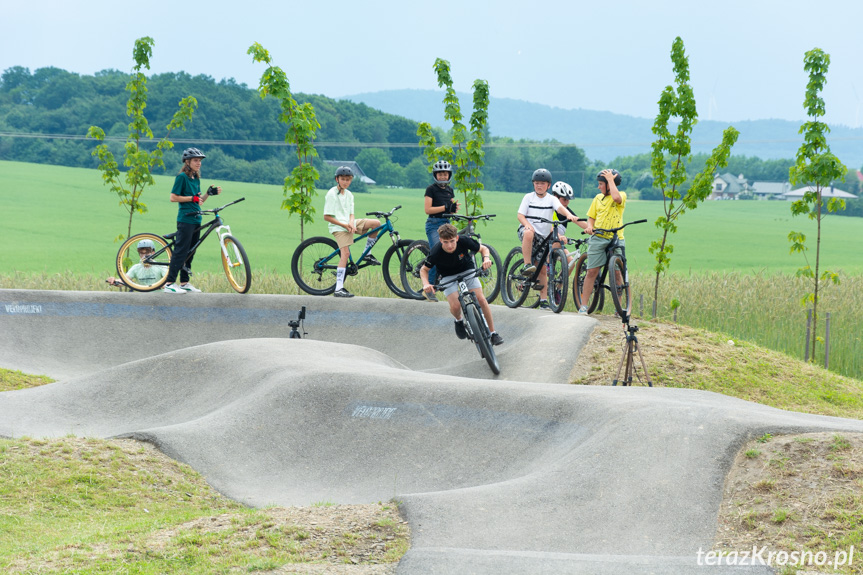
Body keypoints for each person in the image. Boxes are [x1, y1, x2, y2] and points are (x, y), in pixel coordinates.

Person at [420, 223, 503, 345]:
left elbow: (484, 249)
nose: (449, 245)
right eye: (445, 242)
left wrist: (486, 259)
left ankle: (493, 333)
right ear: (440, 240)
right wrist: (426, 284)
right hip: (447, 276)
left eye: (452, 241)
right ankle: (458, 320)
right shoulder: (436, 251)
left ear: (457, 238)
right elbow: (424, 270)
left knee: (481, 299)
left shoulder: (464, 241)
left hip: (467, 270)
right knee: (455, 306)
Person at [516, 168, 582, 310]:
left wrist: (569, 215)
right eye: (537, 183)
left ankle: (544, 300)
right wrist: (527, 225)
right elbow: (520, 215)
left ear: (548, 185)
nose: (539, 186)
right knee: (528, 233)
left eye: (542, 183)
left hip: (543, 236)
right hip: (528, 230)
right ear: (533, 184)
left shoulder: (551, 199)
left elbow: (560, 209)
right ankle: (527, 265)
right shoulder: (528, 197)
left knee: (542, 269)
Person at [163, 147, 220, 293]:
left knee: (191, 252)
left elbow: (198, 201)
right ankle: (169, 283)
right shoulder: (182, 177)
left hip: (196, 218)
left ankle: (184, 282)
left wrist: (208, 194)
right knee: (181, 251)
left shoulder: (196, 178)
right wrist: (191, 198)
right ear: (187, 162)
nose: (199, 163)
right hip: (185, 219)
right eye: (196, 160)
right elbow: (173, 197)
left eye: (200, 161)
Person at [323, 166, 381, 298]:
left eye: (348, 180)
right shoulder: (332, 194)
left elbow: (351, 214)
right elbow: (327, 217)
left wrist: (351, 223)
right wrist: (344, 225)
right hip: (338, 227)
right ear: (337, 179)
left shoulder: (349, 194)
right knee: (345, 253)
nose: (345, 182)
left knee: (376, 224)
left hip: (348, 223)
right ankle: (338, 288)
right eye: (343, 179)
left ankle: (367, 254)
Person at [579, 169, 626, 315]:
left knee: (618, 273)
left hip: (616, 237)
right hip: (599, 237)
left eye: (601, 184)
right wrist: (590, 227)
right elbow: (591, 217)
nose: (598, 187)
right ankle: (584, 305)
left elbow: (617, 198)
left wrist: (610, 180)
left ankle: (619, 308)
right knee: (592, 271)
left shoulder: (621, 195)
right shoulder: (597, 198)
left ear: (610, 184)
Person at [422, 159, 460, 302]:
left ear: (449, 175)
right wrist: (445, 207)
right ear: (435, 175)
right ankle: (430, 289)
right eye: (440, 174)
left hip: (446, 223)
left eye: (445, 174)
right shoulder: (430, 189)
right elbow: (428, 209)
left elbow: (450, 209)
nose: (443, 177)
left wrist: (453, 210)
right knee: (436, 254)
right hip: (433, 224)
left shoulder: (450, 190)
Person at [550, 181, 588, 273]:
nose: (567, 202)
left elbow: (578, 221)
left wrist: (594, 229)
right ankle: (547, 266)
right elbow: (548, 227)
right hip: (544, 242)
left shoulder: (566, 210)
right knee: (559, 242)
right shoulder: (549, 209)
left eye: (568, 200)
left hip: (557, 242)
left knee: (571, 263)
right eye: (564, 199)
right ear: (556, 197)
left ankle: (559, 286)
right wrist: (559, 236)